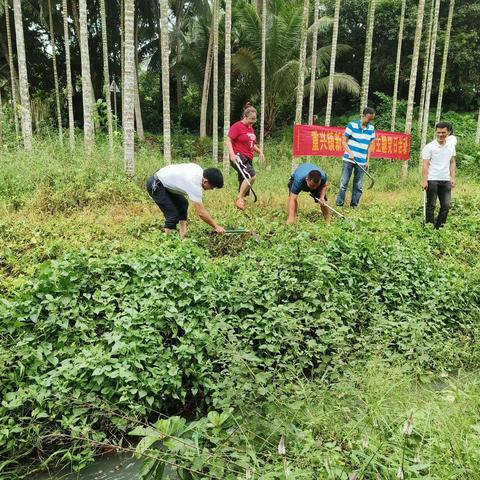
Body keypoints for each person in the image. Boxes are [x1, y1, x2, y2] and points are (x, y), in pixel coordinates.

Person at [146, 163, 225, 239]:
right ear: (205, 181)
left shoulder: (198, 169)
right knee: (172, 215)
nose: (212, 189)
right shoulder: (194, 184)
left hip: (165, 183)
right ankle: (169, 245)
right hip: (156, 185)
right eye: (212, 186)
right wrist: (216, 226)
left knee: (183, 205)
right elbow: (201, 212)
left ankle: (182, 237)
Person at [226, 103, 266, 210]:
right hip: (238, 156)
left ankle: (241, 205)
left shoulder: (250, 129)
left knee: (243, 181)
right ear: (245, 116)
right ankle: (239, 199)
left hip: (248, 158)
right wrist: (232, 154)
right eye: (251, 119)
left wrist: (260, 152)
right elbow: (228, 139)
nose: (253, 121)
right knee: (251, 176)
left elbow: (251, 144)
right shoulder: (237, 126)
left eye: (255, 119)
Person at [336, 107, 376, 208]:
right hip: (348, 160)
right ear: (362, 116)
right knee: (343, 183)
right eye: (368, 119)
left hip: (361, 161)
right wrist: (350, 153)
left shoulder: (371, 129)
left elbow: (370, 146)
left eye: (371, 119)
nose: (369, 121)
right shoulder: (352, 125)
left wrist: (368, 161)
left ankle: (354, 206)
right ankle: (339, 204)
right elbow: (344, 141)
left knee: (358, 186)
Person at [421, 121, 456, 229]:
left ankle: (439, 226)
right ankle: (429, 226)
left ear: (448, 132)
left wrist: (452, 177)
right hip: (432, 179)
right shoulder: (429, 147)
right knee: (431, 205)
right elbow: (425, 164)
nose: (440, 135)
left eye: (443, 132)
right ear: (435, 132)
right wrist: (424, 180)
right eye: (438, 132)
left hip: (445, 179)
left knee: (446, 205)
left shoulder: (451, 146)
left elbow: (452, 161)